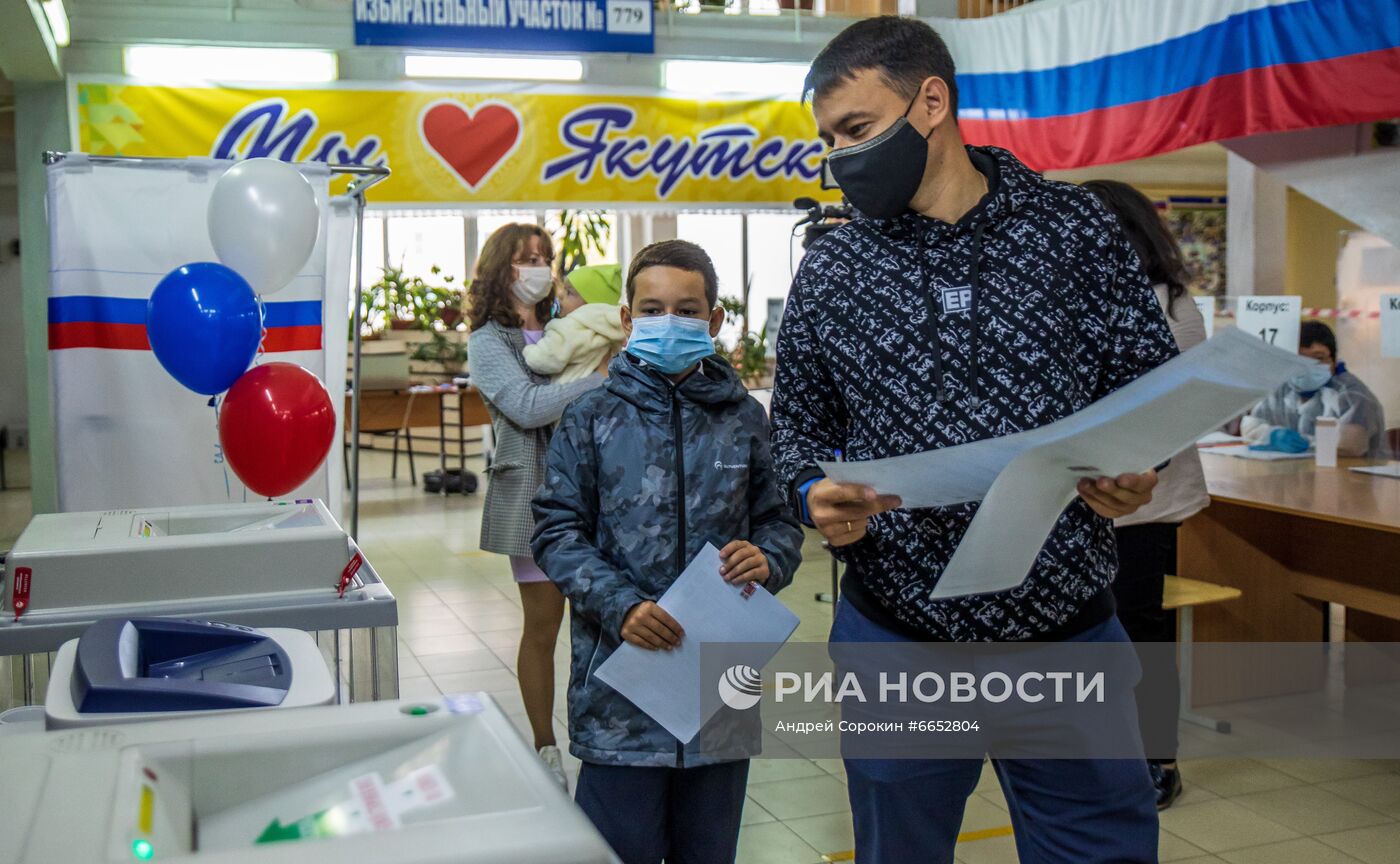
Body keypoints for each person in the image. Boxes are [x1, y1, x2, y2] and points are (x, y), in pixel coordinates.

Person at [772, 17, 1174, 863]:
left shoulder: (1076, 231)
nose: (841, 158)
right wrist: (812, 494)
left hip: (1066, 629)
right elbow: (797, 429)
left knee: (1102, 848)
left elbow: (1149, 383)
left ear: (931, 101)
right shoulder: (834, 267)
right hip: (898, 633)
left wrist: (1141, 467)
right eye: (829, 141)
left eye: (857, 130)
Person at [531, 240, 803, 864]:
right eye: (651, 309)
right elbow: (556, 531)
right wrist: (621, 605)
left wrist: (770, 559)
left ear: (713, 322)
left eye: (686, 309)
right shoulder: (591, 416)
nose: (667, 322)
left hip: (718, 701)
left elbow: (780, 520)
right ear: (627, 320)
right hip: (619, 702)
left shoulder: (744, 419)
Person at [1085, 179, 1212, 810]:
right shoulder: (1079, 294)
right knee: (1094, 630)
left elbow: (1168, 400)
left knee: (1141, 628)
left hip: (1150, 500)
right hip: (1083, 500)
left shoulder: (1171, 303)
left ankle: (1157, 758)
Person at [466, 222, 607, 788]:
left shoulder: (564, 324)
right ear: (502, 267)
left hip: (592, 490)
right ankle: (546, 747)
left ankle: (601, 735)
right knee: (544, 627)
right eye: (527, 257)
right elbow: (526, 407)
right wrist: (598, 379)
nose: (540, 267)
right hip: (532, 494)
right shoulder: (487, 341)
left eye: (546, 257)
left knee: (600, 621)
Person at [1242, 320, 1388, 459]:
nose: (1307, 366)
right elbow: (1250, 428)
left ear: (1334, 360)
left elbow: (1350, 445)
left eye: (1318, 358)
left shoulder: (1351, 394)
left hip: (1354, 479)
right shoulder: (1281, 389)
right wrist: (1272, 435)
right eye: (1299, 359)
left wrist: (1305, 442)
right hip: (1297, 475)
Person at [523, 264, 626, 384]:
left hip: (569, 396)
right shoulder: (612, 327)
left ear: (589, 305)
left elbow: (543, 359)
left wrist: (528, 350)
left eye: (569, 292)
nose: (560, 295)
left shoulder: (570, 327)